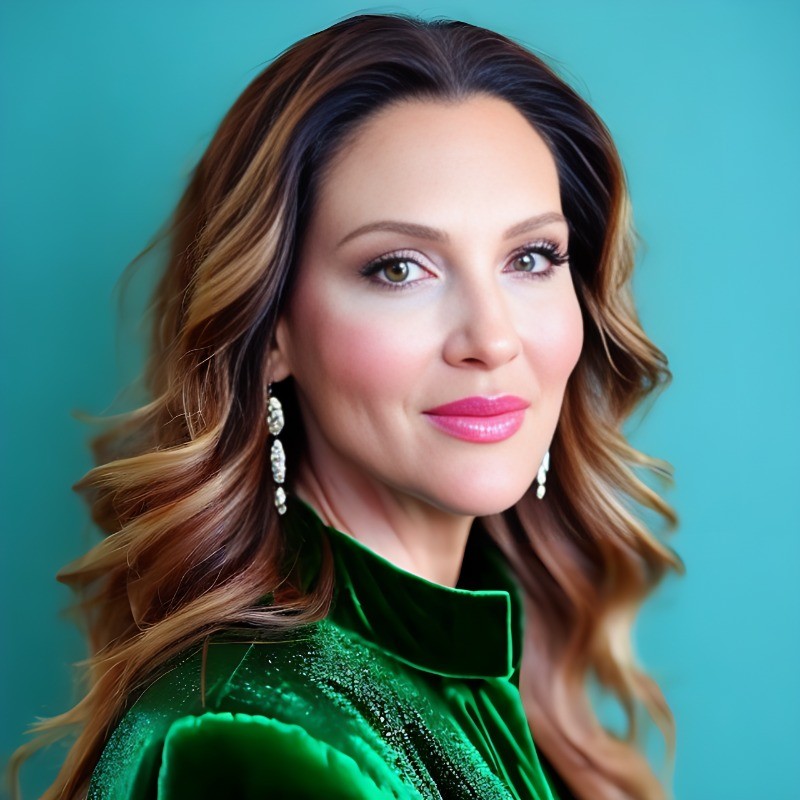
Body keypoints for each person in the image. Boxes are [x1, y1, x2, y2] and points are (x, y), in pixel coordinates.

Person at [8, 11, 684, 800]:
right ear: (270, 336)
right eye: (399, 269)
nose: (492, 339)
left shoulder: (491, 668)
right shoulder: (255, 738)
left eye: (531, 257)